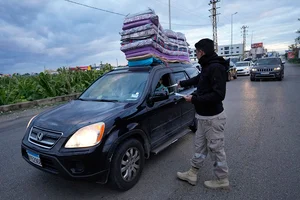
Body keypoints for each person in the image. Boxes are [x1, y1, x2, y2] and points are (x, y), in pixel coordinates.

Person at [176, 38, 229, 189]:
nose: (196, 55)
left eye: (196, 52)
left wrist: (194, 99)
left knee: (216, 149)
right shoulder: (207, 66)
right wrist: (183, 83)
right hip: (203, 117)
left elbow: (219, 95)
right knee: (199, 147)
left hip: (213, 118)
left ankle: (222, 179)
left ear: (201, 52)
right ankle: (192, 173)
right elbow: (199, 79)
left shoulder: (216, 67)